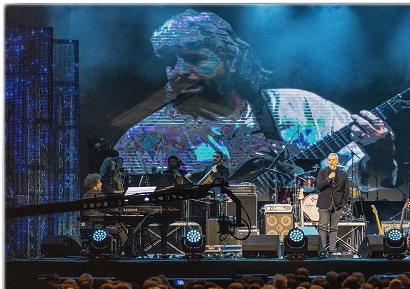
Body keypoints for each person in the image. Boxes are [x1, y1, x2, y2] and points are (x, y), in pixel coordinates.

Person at [113, 9, 395, 199]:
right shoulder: (147, 137)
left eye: (194, 59)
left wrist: (381, 147)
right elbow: (120, 205)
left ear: (231, 59)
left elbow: (365, 185)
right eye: (170, 62)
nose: (177, 71)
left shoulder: (302, 110)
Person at [316, 153, 347, 255]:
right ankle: (322, 250)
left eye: (333, 160)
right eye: (329, 160)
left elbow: (346, 190)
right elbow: (319, 186)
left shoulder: (343, 174)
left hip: (337, 204)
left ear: (337, 161)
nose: (331, 161)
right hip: (324, 203)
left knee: (334, 228)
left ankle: (332, 249)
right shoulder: (322, 172)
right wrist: (329, 178)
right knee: (323, 227)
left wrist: (343, 202)